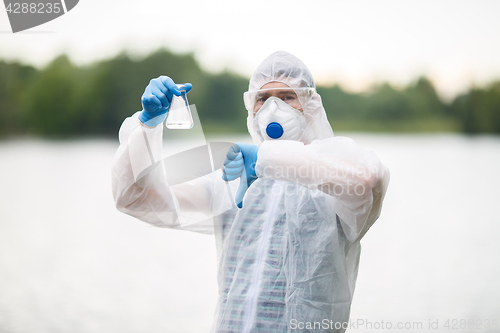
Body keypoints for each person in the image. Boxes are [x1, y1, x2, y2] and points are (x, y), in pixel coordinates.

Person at [112, 51, 390, 333]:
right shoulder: (233, 179)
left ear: (310, 104)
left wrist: (265, 159)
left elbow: (367, 182)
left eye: (286, 96)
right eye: (262, 98)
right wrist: (146, 125)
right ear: (251, 108)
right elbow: (137, 199)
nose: (273, 107)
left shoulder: (334, 177)